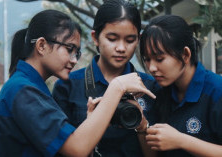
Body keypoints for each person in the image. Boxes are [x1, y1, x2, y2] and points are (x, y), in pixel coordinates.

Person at [0, 9, 155, 157]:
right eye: (69, 49)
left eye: (77, 52)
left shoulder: (28, 87)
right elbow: (76, 149)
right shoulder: (23, 90)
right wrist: (117, 87)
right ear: (41, 45)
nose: (74, 60)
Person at [52, 0, 159, 156]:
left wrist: (142, 126)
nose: (121, 48)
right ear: (95, 37)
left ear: (138, 39)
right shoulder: (68, 85)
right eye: (112, 38)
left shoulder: (150, 86)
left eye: (130, 40)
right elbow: (62, 150)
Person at [139, 15, 222, 157]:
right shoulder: (157, 91)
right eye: (147, 59)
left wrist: (181, 140)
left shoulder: (216, 91)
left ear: (185, 54)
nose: (151, 68)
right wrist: (141, 125)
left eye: (159, 59)